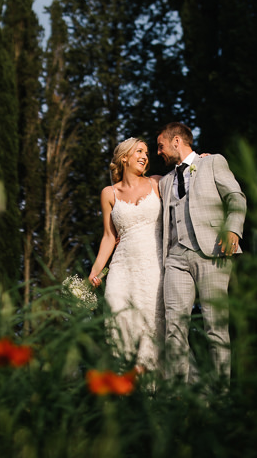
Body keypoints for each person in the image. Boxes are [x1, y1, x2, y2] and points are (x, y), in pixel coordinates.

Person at [156, 122, 246, 383]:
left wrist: (233, 229)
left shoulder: (212, 162)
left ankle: (220, 397)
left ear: (176, 141)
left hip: (213, 251)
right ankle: (178, 395)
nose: (158, 152)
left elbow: (236, 197)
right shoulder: (164, 182)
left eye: (160, 146)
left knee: (215, 327)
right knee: (173, 328)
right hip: (175, 258)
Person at [88, 138, 164, 371]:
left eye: (147, 153)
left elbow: (186, 179)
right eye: (139, 151)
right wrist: (95, 270)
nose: (145, 156)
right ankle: (125, 390)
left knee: (151, 326)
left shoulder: (157, 184)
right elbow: (109, 237)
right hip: (121, 271)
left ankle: (151, 391)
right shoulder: (109, 193)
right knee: (120, 325)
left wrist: (199, 162)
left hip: (153, 268)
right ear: (124, 158)